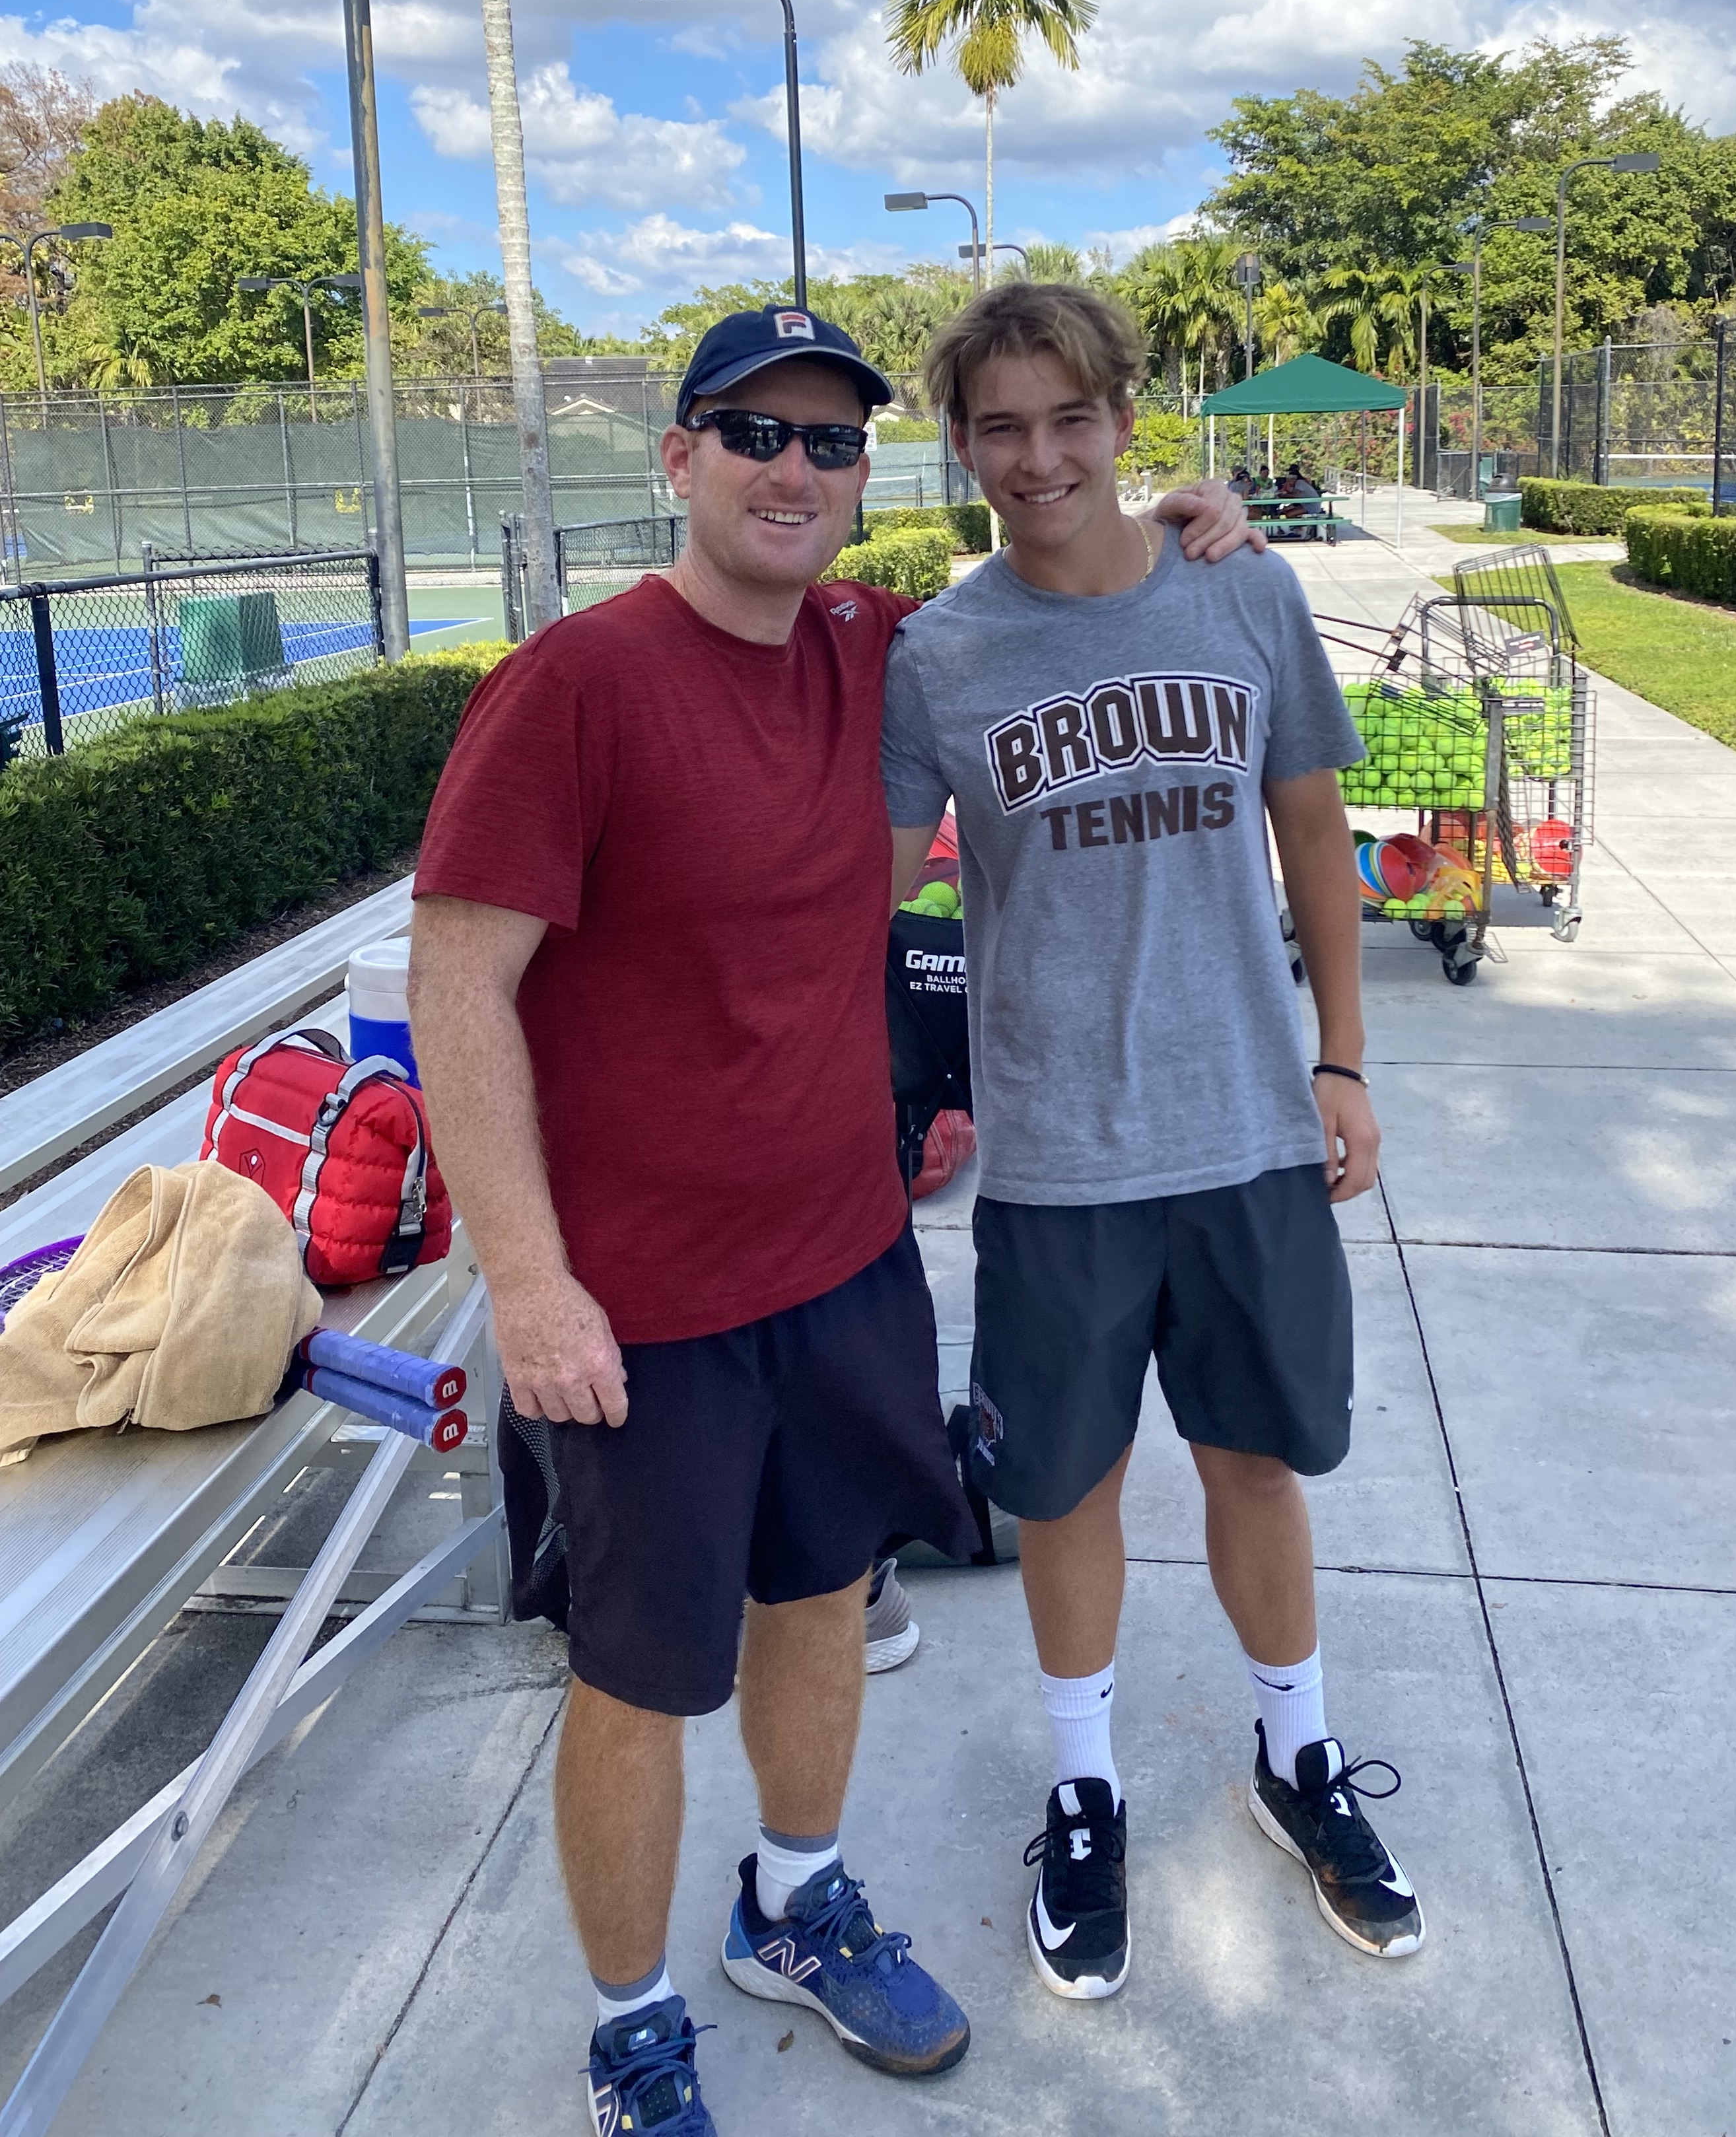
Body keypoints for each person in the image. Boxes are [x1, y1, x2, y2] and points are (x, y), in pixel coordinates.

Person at [406, 302, 1255, 2137]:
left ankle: (793, 1904)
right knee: (637, 1679)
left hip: (847, 1256)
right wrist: (531, 1280)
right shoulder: (570, 689)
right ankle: (632, 2027)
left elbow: (1053, 575)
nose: (795, 469)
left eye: (831, 441)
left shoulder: (879, 648)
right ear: (680, 460)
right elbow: (457, 990)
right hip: (636, 1305)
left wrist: (1196, 524)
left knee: (822, 1598)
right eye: (754, 434)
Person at [880, 281, 1422, 2014]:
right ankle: (1087, 1790)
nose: (1036, 457)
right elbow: (862, 890)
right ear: (960, 444)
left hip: (1252, 1129)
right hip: (1054, 1159)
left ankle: (1297, 1757)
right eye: (999, 426)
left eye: (1067, 417)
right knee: (1066, 1488)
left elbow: (1317, 833)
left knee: (1255, 1465)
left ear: (1124, 417)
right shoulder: (938, 658)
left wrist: (1342, 1059)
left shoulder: (1243, 589)